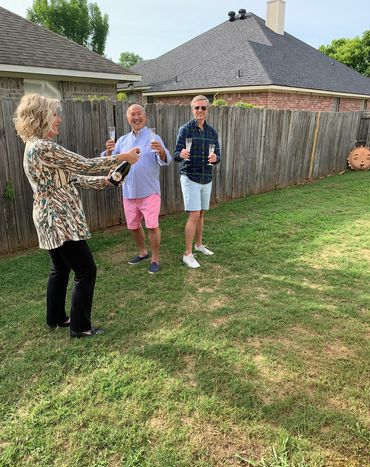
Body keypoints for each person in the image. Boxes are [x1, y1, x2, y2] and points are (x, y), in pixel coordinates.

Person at [14, 94, 140, 338]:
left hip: (48, 216)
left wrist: (104, 181)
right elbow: (83, 164)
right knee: (86, 270)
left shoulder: (33, 146)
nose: (59, 120)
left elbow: (71, 177)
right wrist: (123, 157)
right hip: (59, 218)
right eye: (54, 115)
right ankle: (80, 327)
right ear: (41, 117)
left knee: (60, 268)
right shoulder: (43, 147)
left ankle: (56, 318)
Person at [102, 104, 172, 274]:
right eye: (132, 114)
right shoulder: (123, 140)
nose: (136, 117)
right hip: (129, 192)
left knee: (152, 226)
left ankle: (155, 259)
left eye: (139, 113)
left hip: (150, 191)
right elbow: (109, 160)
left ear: (145, 117)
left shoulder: (154, 137)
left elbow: (166, 159)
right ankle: (143, 253)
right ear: (128, 119)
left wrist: (161, 152)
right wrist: (108, 150)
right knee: (133, 226)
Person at [174, 95, 221, 268]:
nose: (200, 111)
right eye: (197, 108)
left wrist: (215, 158)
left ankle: (199, 245)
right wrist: (181, 154)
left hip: (206, 177)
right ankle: (187, 254)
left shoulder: (212, 132)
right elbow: (175, 154)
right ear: (192, 109)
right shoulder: (185, 129)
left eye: (203, 108)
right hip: (190, 177)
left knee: (201, 213)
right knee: (194, 215)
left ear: (207, 110)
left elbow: (218, 157)